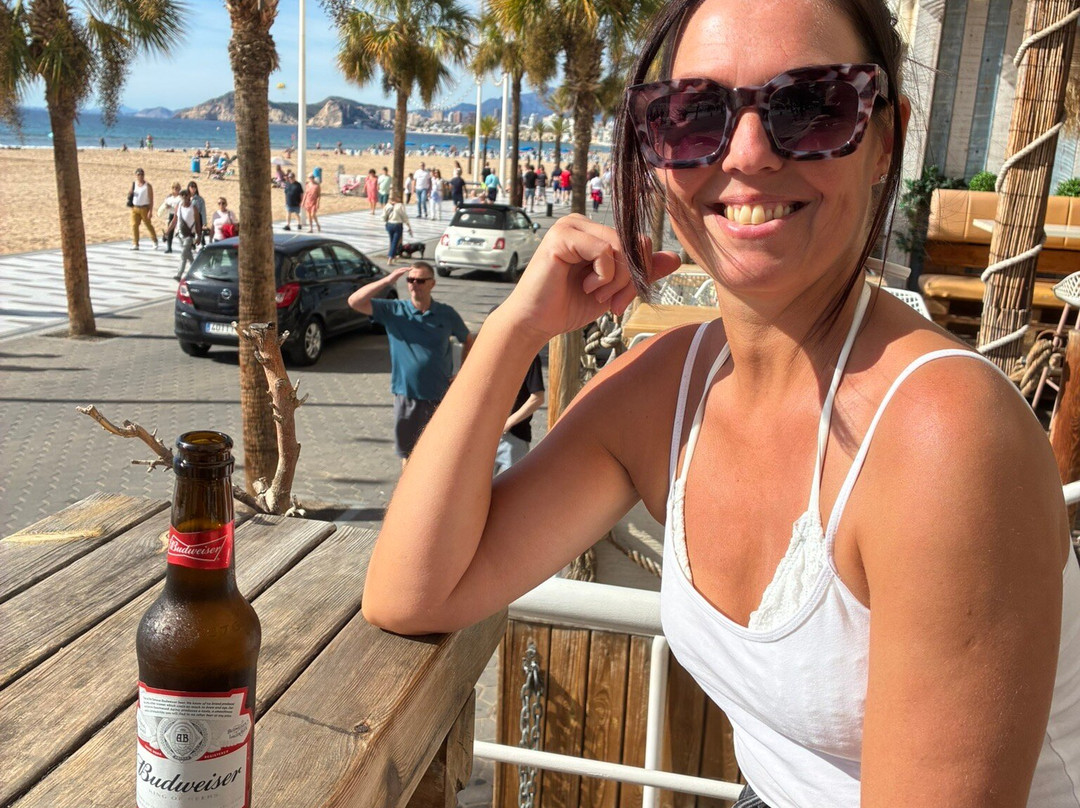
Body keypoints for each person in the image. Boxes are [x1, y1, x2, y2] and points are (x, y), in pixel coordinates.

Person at [360, 0, 1080, 804]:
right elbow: (412, 593)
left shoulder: (944, 439)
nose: (747, 152)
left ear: (884, 140)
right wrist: (514, 328)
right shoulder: (667, 389)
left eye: (810, 106)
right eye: (694, 115)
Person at [346, 261, 474, 467]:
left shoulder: (446, 313)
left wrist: (463, 371)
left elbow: (468, 340)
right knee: (408, 455)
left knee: (438, 453)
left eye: (420, 280)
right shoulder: (394, 310)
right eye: (410, 280)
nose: (415, 284)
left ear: (432, 283)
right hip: (407, 395)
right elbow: (354, 301)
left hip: (440, 395)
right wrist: (387, 280)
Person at [495, 348, 545, 475]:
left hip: (514, 437)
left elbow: (537, 398)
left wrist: (508, 423)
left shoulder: (529, 355)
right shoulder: (490, 353)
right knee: (476, 485)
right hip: (486, 437)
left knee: (512, 485)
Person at [167, 189, 202, 280]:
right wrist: (167, 232)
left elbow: (198, 223)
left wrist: (199, 236)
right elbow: (174, 220)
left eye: (186, 195)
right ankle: (197, 271)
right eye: (182, 195)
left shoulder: (193, 208)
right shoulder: (178, 206)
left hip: (190, 235)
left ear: (189, 196)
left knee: (183, 254)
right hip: (180, 235)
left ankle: (179, 274)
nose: (184, 197)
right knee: (188, 255)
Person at [128, 168, 158, 251]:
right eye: (138, 175)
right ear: (136, 175)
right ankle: (135, 243)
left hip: (144, 208)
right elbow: (130, 193)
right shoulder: (134, 184)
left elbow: (151, 199)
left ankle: (154, 240)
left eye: (142, 174)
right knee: (134, 225)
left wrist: (150, 211)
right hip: (135, 208)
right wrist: (130, 193)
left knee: (148, 225)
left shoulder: (147, 186)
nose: (140, 176)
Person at [382, 193, 413, 265]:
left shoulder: (387, 205)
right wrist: (409, 226)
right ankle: (390, 258)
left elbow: (383, 216)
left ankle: (393, 256)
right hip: (397, 224)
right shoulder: (400, 206)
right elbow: (404, 217)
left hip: (389, 224)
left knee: (392, 240)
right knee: (395, 242)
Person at [158, 182, 183, 253]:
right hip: (171, 215)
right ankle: (169, 247)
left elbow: (180, 206)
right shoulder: (169, 197)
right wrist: (167, 206)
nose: (175, 189)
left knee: (179, 231)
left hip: (179, 215)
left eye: (177, 188)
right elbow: (165, 205)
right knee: (170, 232)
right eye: (173, 188)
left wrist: (172, 206)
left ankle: (186, 245)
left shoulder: (180, 198)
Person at [187, 181, 207, 247]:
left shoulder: (200, 199)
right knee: (190, 234)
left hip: (198, 217)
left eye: (194, 187)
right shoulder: (186, 198)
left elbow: (203, 211)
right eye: (192, 187)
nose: (193, 189)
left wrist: (204, 223)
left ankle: (203, 245)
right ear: (189, 188)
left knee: (199, 234)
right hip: (189, 218)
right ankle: (192, 246)